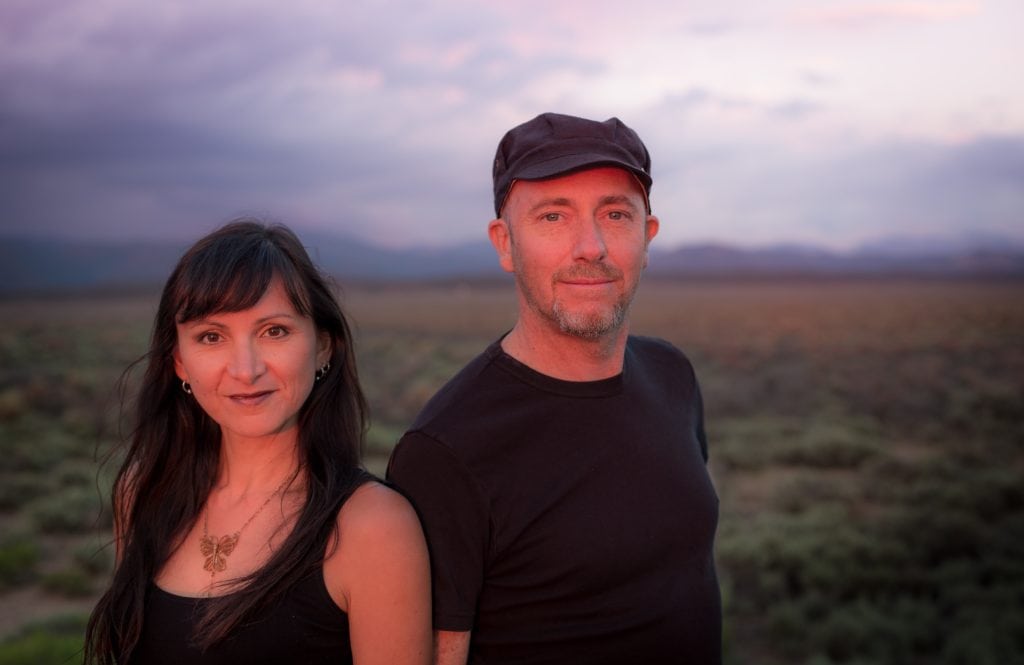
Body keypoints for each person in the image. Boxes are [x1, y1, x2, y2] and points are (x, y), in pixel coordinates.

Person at [386, 112, 721, 664]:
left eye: (616, 214)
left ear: (647, 236)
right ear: (505, 244)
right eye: (552, 216)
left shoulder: (672, 376)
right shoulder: (446, 453)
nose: (590, 247)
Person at [85, 220, 431, 665]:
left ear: (323, 346)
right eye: (212, 337)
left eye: (274, 331)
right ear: (180, 363)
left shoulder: (373, 528)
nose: (246, 370)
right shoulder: (142, 494)